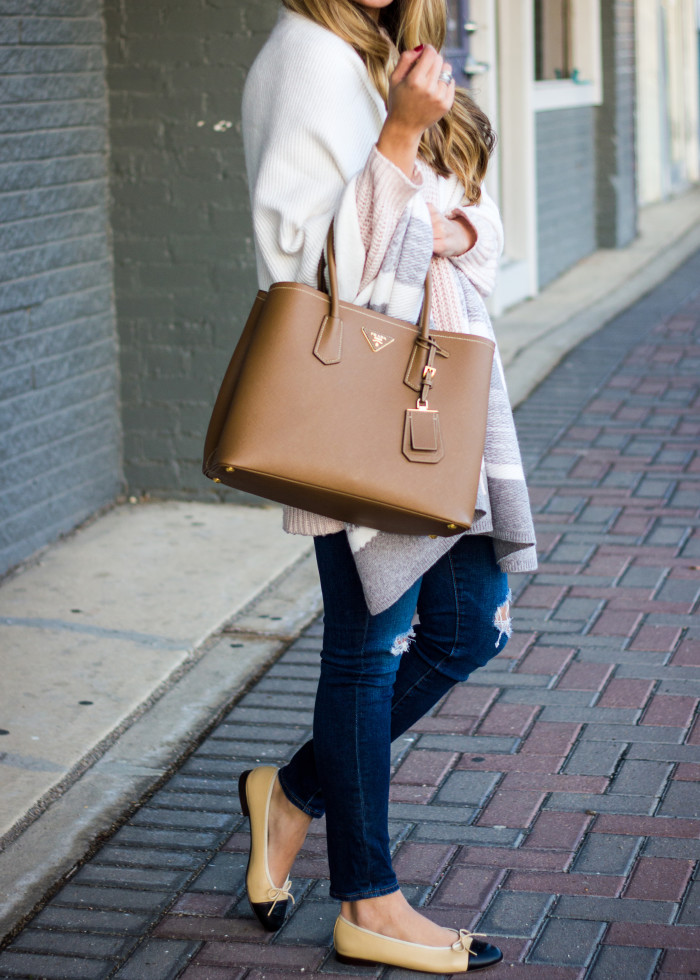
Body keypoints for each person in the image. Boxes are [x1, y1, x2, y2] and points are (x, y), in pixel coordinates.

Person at [238, 0, 537, 972]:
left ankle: (289, 794)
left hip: (436, 395)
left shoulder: (393, 53)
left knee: (469, 625)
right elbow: (315, 272)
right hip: (359, 404)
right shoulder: (307, 59)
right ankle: (367, 896)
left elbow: (485, 224)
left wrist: (429, 185)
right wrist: (402, 139)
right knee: (368, 649)